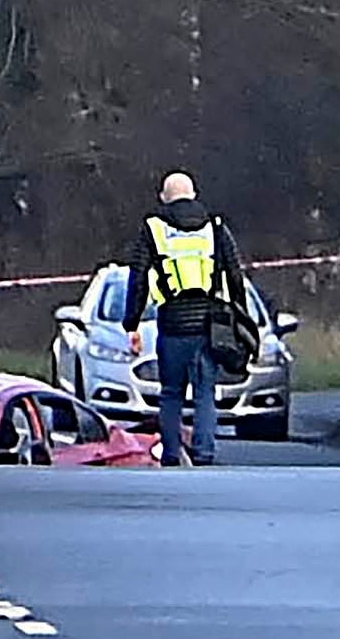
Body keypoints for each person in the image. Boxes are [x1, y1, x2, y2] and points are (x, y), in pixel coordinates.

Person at [122, 171, 247, 466]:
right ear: (194, 194)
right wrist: (240, 317)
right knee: (205, 393)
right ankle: (204, 454)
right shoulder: (215, 228)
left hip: (172, 327)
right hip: (208, 327)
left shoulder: (154, 229)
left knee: (171, 394)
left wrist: (132, 323)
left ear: (164, 198)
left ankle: (170, 454)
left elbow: (137, 278)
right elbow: (235, 273)